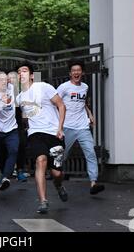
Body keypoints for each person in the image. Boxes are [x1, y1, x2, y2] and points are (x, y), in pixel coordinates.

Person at [15, 62, 67, 214]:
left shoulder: (44, 87)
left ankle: (59, 185)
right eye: (18, 72)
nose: (21, 74)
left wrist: (60, 128)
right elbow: (26, 117)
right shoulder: (19, 98)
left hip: (53, 133)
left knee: (57, 173)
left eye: (24, 71)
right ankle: (43, 201)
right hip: (35, 134)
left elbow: (61, 105)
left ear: (31, 75)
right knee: (40, 161)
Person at [57, 60, 105, 195]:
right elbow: (55, 102)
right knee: (62, 156)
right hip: (67, 126)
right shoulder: (63, 87)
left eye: (78, 70)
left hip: (83, 126)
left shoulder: (85, 87)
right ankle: (57, 180)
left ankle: (93, 182)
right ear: (70, 73)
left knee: (90, 153)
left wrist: (90, 114)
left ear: (82, 72)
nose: (76, 73)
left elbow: (82, 103)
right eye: (74, 71)